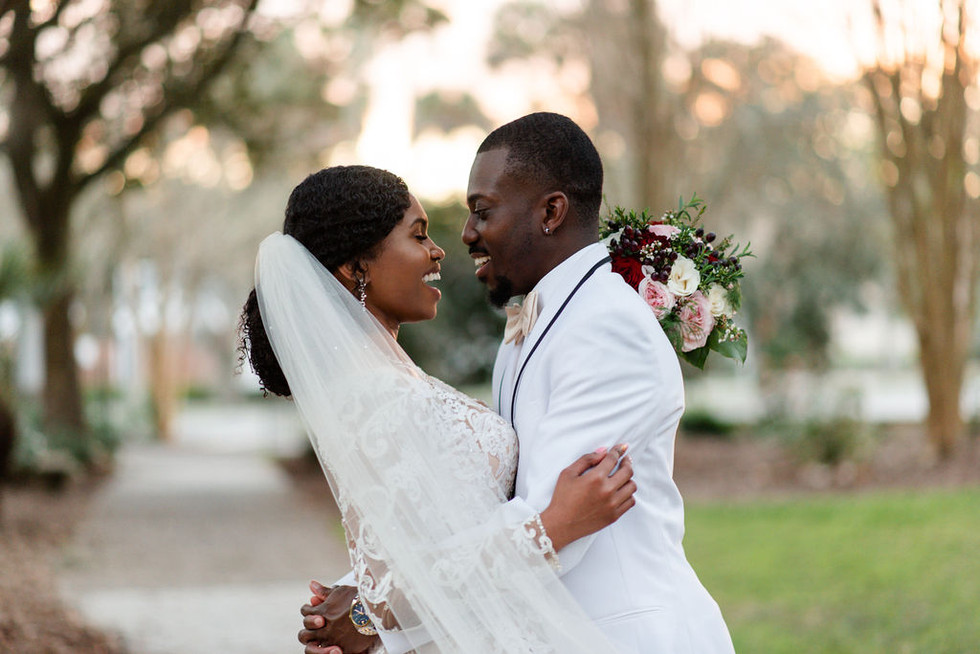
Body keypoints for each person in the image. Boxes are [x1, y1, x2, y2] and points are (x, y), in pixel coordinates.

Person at [300, 114, 736, 654]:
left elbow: (558, 519)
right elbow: (477, 507)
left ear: (551, 212)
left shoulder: (608, 326)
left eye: (482, 212)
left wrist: (373, 609)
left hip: (624, 633)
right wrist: (361, 591)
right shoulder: (527, 329)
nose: (464, 236)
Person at [240, 165, 638, 654]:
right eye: (418, 235)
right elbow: (399, 579)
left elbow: (412, 550)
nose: (438, 251)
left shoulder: (390, 382)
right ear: (354, 266)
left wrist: (362, 610)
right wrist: (554, 526)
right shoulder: (371, 395)